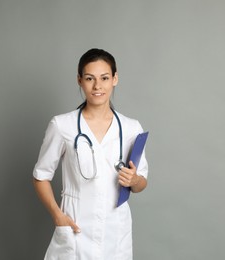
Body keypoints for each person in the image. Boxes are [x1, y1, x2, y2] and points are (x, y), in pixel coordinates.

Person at [33, 48, 148, 260]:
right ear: (79, 80)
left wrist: (135, 179)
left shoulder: (132, 128)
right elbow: (41, 176)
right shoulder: (62, 125)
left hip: (116, 232)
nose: (97, 86)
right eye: (89, 78)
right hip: (75, 228)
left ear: (115, 79)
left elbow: (141, 184)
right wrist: (58, 216)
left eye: (104, 78)